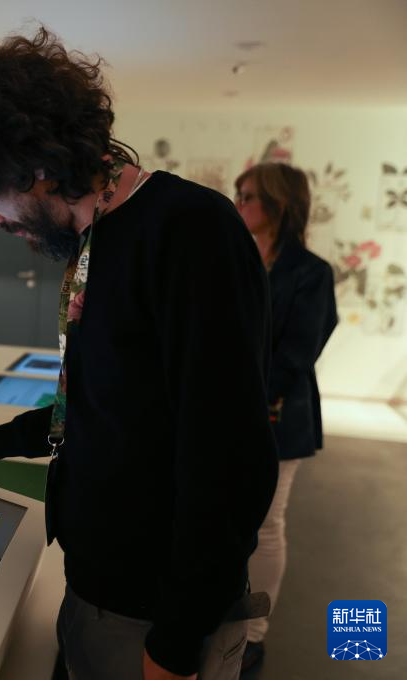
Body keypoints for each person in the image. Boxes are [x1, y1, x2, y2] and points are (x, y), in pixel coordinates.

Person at [0, 29, 278, 680]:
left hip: (157, 618)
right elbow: (104, 407)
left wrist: (174, 645)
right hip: (98, 593)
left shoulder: (191, 231)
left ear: (37, 162)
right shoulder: (94, 239)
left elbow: (231, 461)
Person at [233, 163, 338, 672]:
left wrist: (242, 397)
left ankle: (254, 632)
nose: (238, 203)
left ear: (279, 204)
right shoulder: (234, 258)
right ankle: (223, 616)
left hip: (277, 415)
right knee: (225, 517)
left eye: (249, 195)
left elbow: (298, 352)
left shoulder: (311, 272)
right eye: (238, 193)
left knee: (267, 523)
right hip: (225, 411)